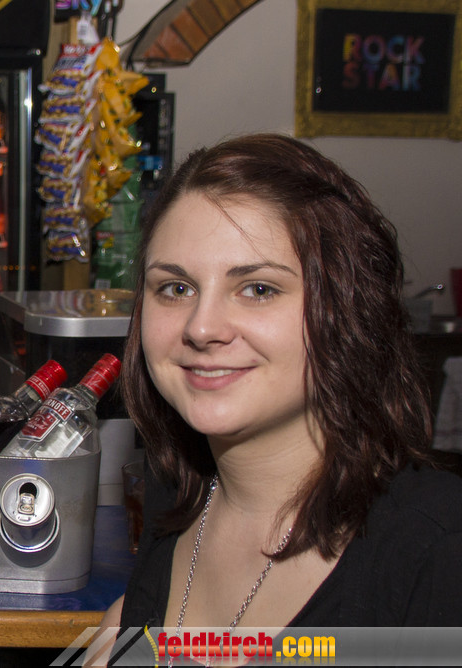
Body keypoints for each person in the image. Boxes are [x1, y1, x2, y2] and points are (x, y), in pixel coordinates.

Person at [91, 133, 462, 663]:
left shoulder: (437, 546)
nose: (202, 327)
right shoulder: (174, 492)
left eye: (258, 289)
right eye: (176, 288)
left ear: (347, 309)